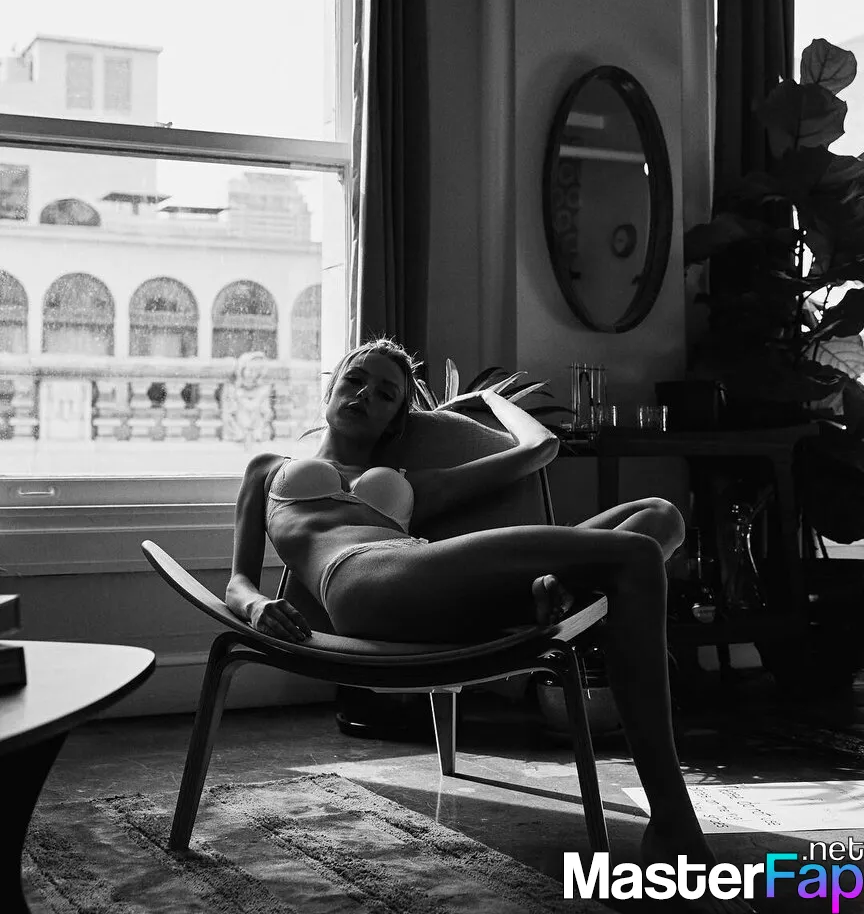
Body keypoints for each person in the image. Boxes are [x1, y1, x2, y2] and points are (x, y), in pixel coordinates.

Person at [227, 337, 756, 914]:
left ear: (396, 418)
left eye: (385, 394)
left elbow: (539, 447)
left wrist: (489, 400)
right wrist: (256, 607)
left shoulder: (409, 483)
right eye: (355, 381)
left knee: (659, 516)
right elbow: (238, 582)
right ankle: (677, 829)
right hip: (362, 582)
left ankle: (557, 590)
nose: (363, 396)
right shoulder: (269, 468)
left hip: (432, 578)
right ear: (331, 388)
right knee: (635, 555)